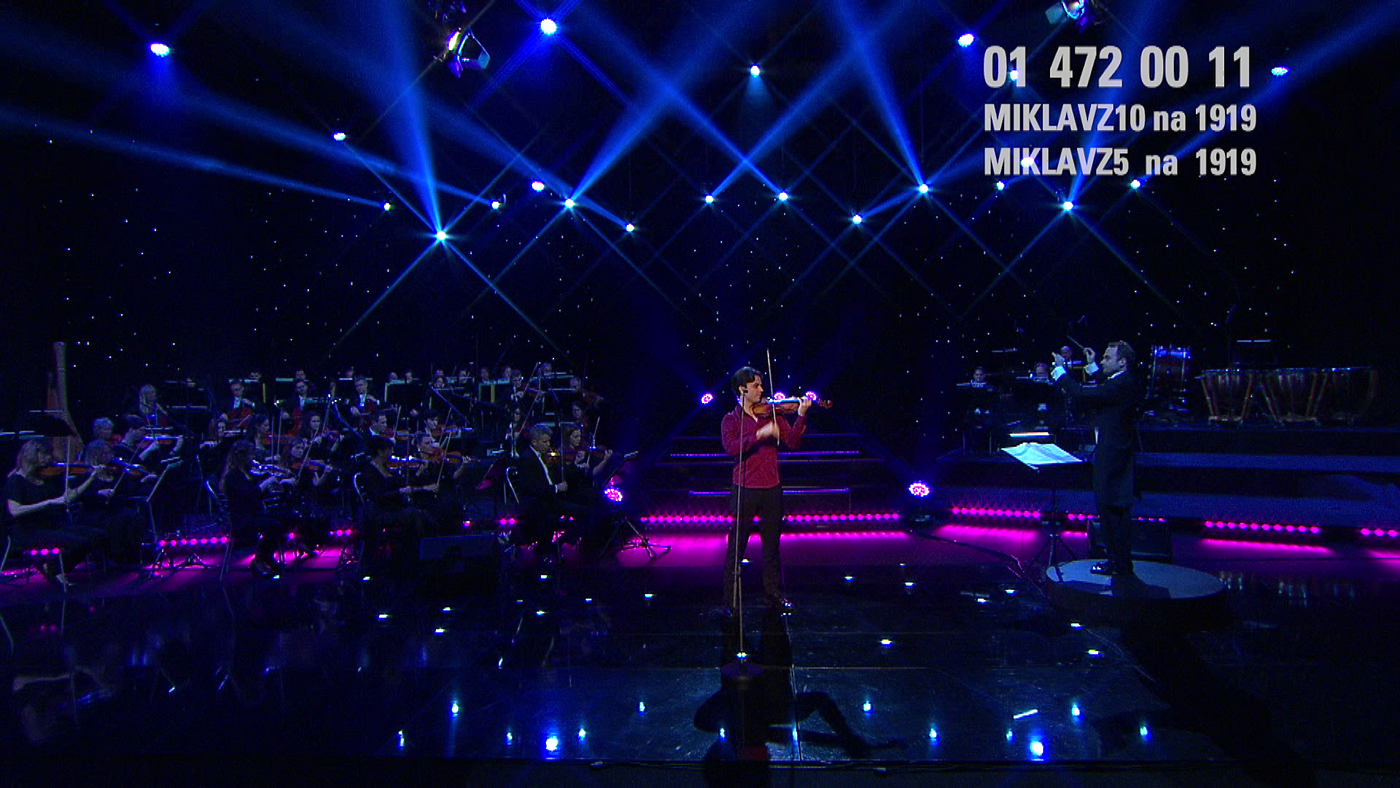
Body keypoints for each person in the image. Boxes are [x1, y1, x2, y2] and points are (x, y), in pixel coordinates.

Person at [720, 367, 811, 613]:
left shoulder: (773, 414)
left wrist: (801, 416)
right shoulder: (730, 420)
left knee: (771, 548)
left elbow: (793, 442)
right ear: (742, 389)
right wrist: (760, 434)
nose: (761, 390)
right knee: (736, 548)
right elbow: (731, 448)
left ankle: (773, 596)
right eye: (756, 386)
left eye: (761, 385)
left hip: (771, 488)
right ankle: (731, 603)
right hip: (744, 489)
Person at [1051, 342, 1143, 576]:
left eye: (1107, 358)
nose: (1103, 361)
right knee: (1110, 511)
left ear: (1122, 362)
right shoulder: (1122, 381)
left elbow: (1085, 393)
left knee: (1113, 511)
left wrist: (1061, 372)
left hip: (1114, 457)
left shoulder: (1123, 384)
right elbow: (1106, 384)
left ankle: (1120, 565)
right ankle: (1118, 562)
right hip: (1112, 454)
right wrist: (1092, 365)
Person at [5, 439, 106, 586]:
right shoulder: (16, 480)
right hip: (28, 529)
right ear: (31, 455)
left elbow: (68, 498)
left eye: (49, 454)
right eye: (45, 454)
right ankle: (53, 569)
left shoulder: (49, 477)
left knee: (98, 535)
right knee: (79, 542)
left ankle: (51, 567)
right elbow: (15, 511)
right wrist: (49, 503)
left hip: (53, 525)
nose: (49, 458)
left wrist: (91, 478)